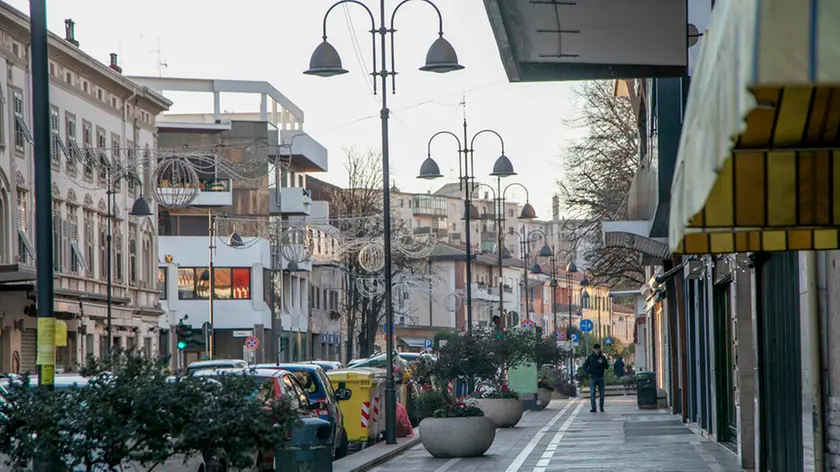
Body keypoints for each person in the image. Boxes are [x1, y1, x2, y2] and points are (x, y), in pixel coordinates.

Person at [583, 343, 608, 412]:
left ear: (600, 349)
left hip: (600, 377)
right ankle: (594, 408)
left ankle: (601, 407)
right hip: (593, 377)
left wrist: (602, 362)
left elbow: (607, 366)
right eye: (596, 349)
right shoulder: (590, 357)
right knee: (593, 393)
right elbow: (584, 366)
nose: (597, 350)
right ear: (593, 349)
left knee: (602, 394)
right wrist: (589, 371)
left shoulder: (602, 357)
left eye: (598, 349)